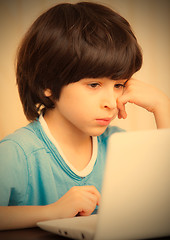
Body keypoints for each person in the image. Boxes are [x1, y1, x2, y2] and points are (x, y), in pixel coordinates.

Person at [0, 2, 169, 231]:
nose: (111, 102)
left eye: (118, 85)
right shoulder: (17, 153)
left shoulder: (118, 145)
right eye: (94, 84)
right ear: (48, 83)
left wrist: (162, 106)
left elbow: (161, 204)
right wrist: (52, 212)